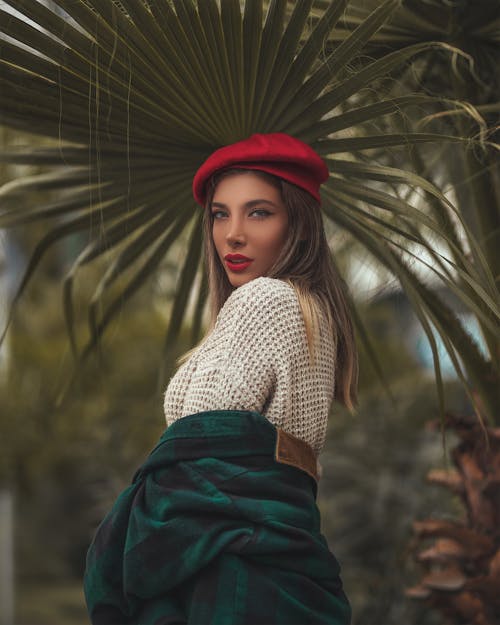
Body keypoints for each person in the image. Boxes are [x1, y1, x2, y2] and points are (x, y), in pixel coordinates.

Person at [84, 133, 358, 625]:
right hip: (277, 556)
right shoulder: (311, 310)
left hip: (232, 565)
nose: (233, 234)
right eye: (220, 213)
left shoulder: (265, 301)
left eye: (258, 212)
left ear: (297, 223)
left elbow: (203, 458)